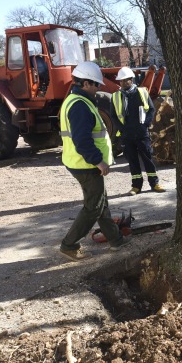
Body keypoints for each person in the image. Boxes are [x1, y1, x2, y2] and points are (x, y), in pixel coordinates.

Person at [59, 61, 130, 261]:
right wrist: (99, 161)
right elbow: (82, 141)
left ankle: (115, 239)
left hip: (81, 163)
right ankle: (69, 245)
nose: (99, 88)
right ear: (85, 84)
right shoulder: (79, 105)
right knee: (93, 207)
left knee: (100, 203)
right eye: (96, 84)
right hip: (85, 164)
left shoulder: (78, 101)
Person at [111, 67, 165, 196]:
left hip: (141, 133)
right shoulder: (116, 96)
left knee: (147, 159)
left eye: (125, 80)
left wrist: (145, 125)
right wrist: (122, 130)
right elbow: (113, 116)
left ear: (131, 80)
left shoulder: (142, 93)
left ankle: (154, 183)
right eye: (121, 81)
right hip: (127, 135)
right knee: (133, 161)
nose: (123, 83)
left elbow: (151, 110)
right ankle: (136, 186)